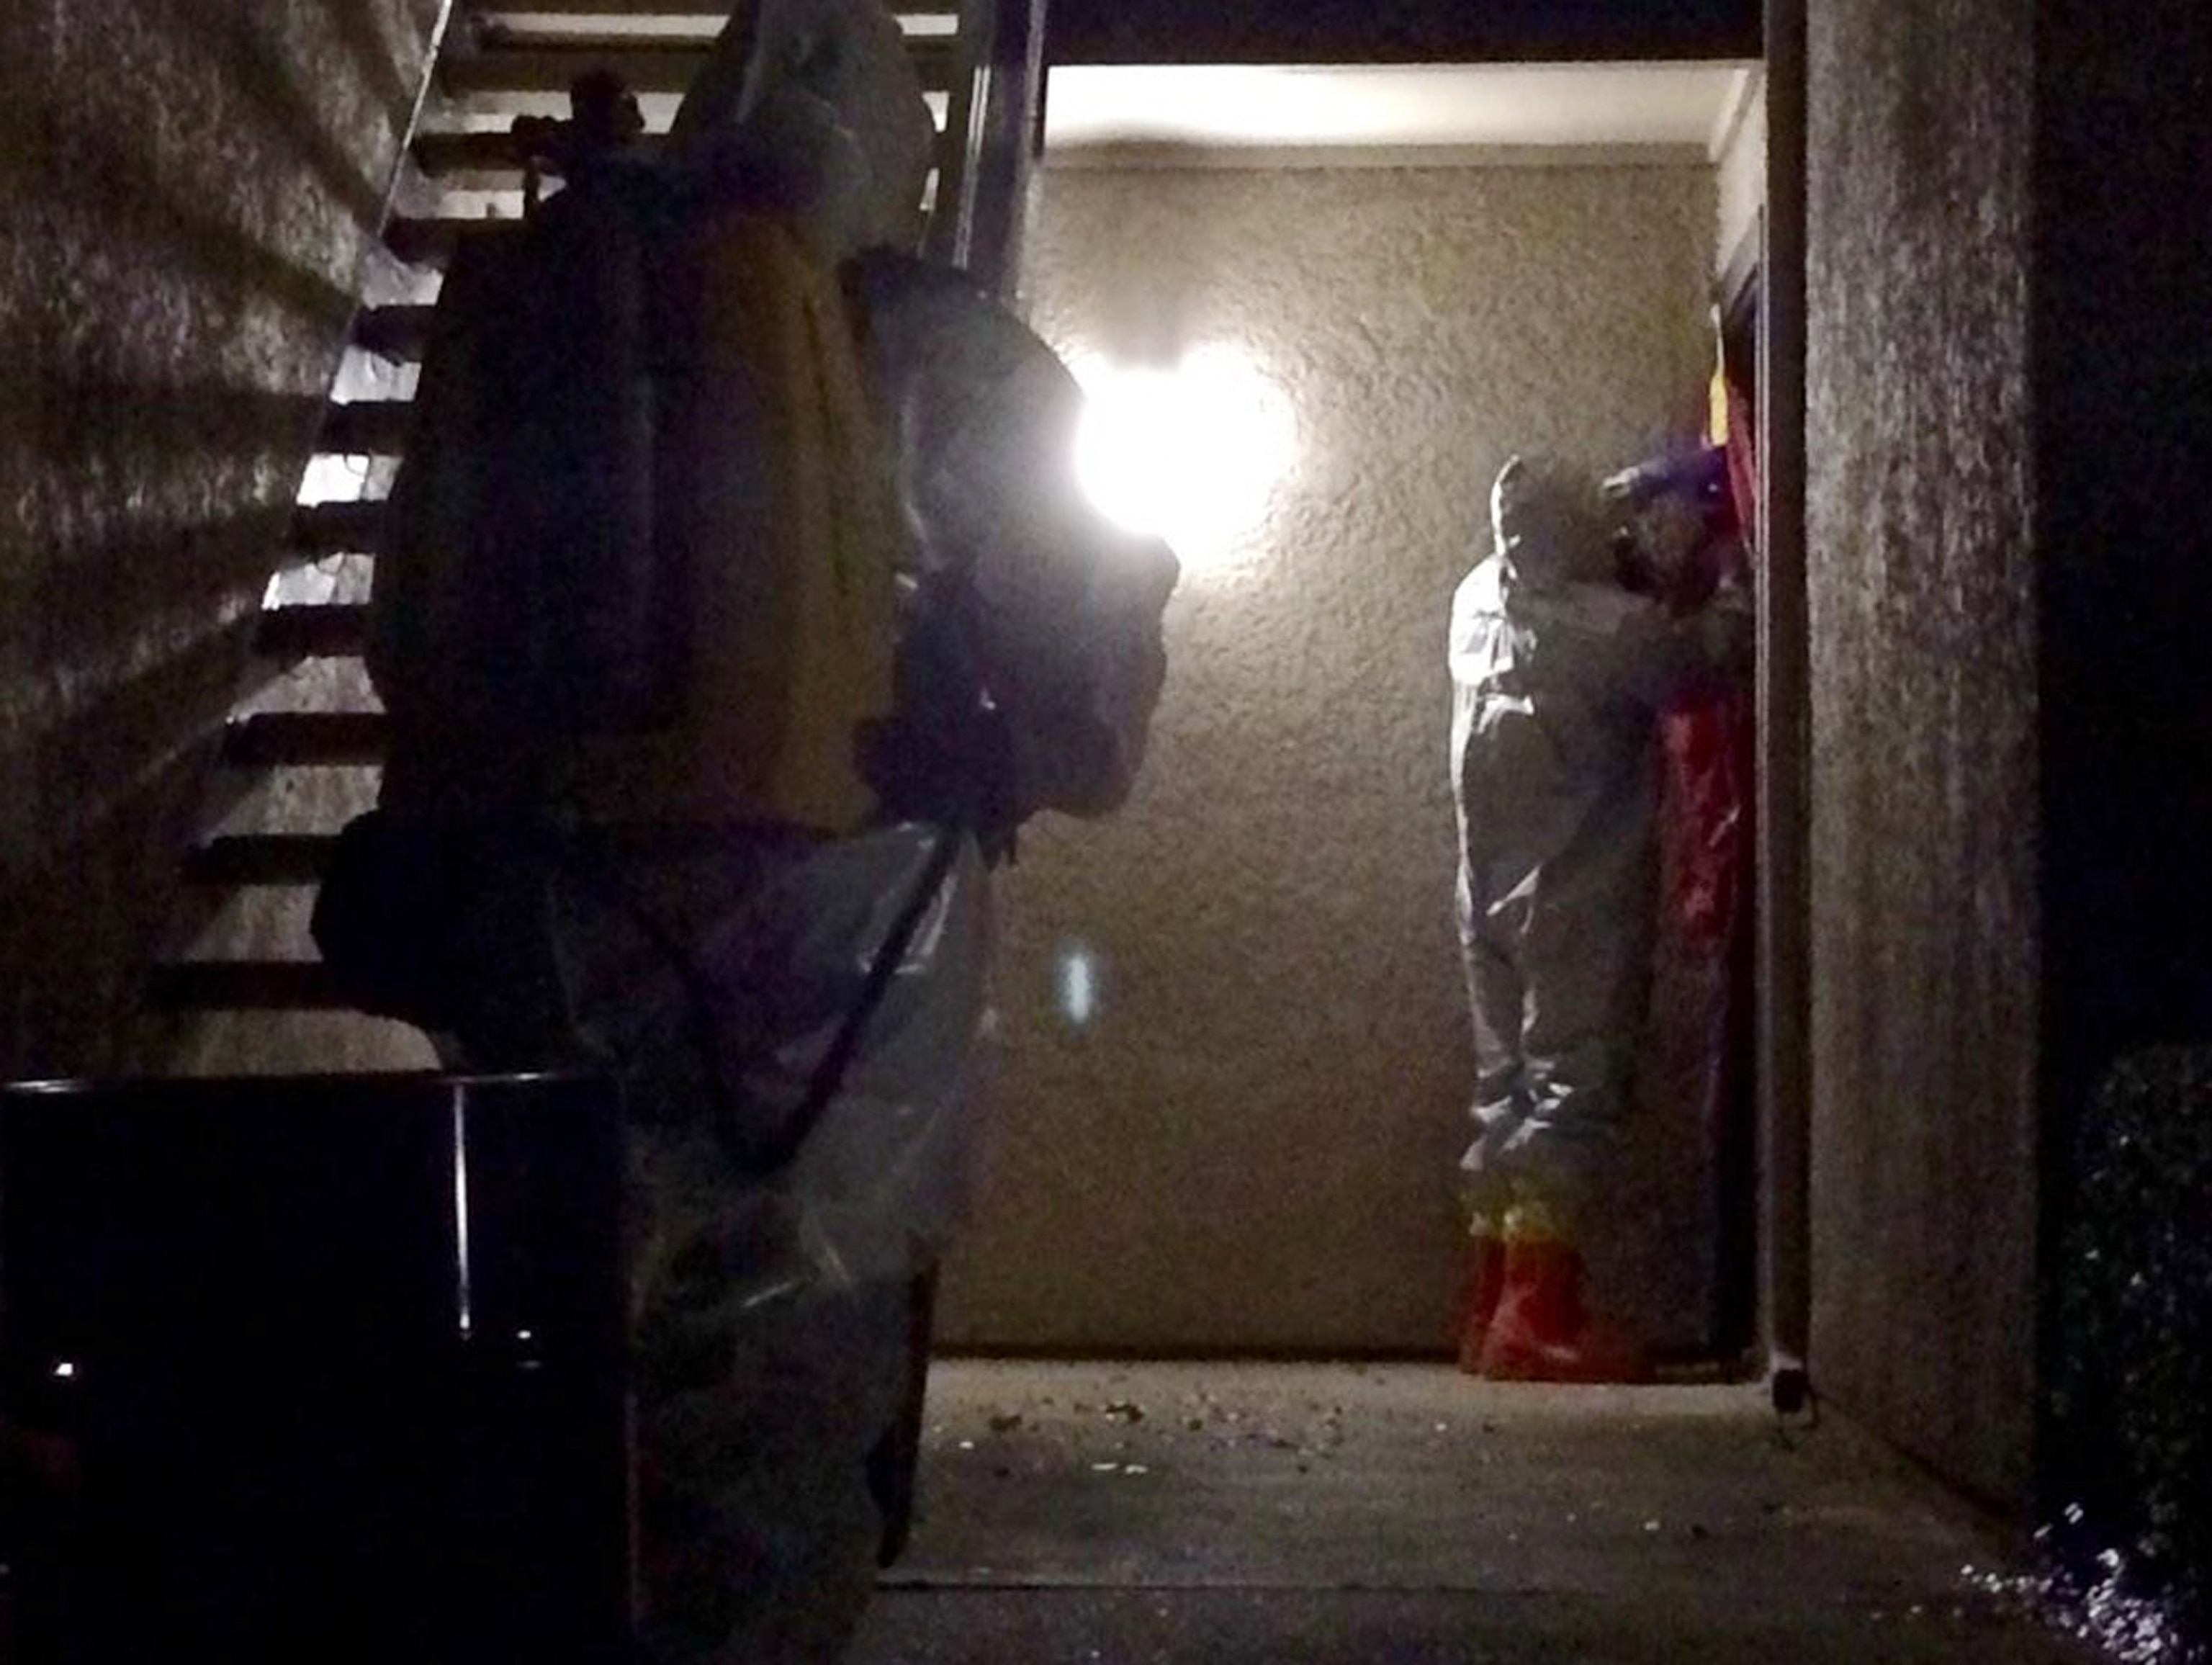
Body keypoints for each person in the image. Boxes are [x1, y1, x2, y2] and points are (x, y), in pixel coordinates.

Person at [345, 1, 1175, 1657]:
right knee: (781, 1378)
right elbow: (1083, 675)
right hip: (835, 944)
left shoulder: (575, 285)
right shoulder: (948, 353)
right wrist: (1035, 751)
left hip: (538, 906)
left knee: (555, 1351)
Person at [1449, 454, 1747, 1383]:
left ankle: (1491, 1303)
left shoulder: (1475, 599)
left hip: (1487, 890)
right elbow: (1708, 661)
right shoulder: (1604, 626)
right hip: (1574, 886)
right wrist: (1730, 569)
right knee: (1574, 1093)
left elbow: (1569, 567)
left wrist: (1617, 517)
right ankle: (1535, 1320)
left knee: (1506, 1094)